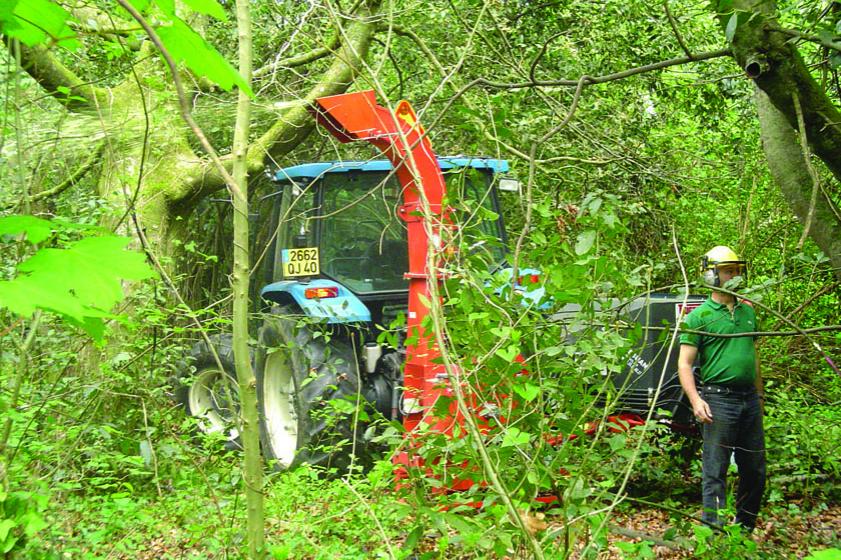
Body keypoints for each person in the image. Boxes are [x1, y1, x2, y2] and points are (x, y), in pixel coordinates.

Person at [677, 245, 765, 532]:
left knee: (754, 470)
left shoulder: (748, 311)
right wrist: (695, 399)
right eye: (729, 271)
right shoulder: (699, 316)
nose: (735, 276)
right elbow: (684, 363)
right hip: (719, 399)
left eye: (737, 270)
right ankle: (713, 535)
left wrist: (760, 396)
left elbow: (753, 355)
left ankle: (743, 531)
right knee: (715, 470)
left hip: (749, 400)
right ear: (712, 275)